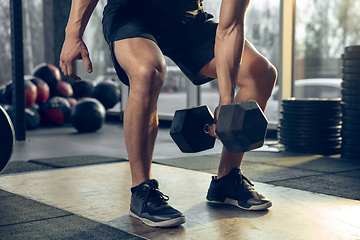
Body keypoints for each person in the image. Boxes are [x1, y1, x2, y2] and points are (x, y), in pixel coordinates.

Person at [60, 0, 277, 228]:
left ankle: (227, 180)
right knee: (147, 71)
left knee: (261, 74)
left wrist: (226, 103)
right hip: (132, 12)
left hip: (187, 20)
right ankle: (142, 190)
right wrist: (73, 33)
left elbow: (230, 28)